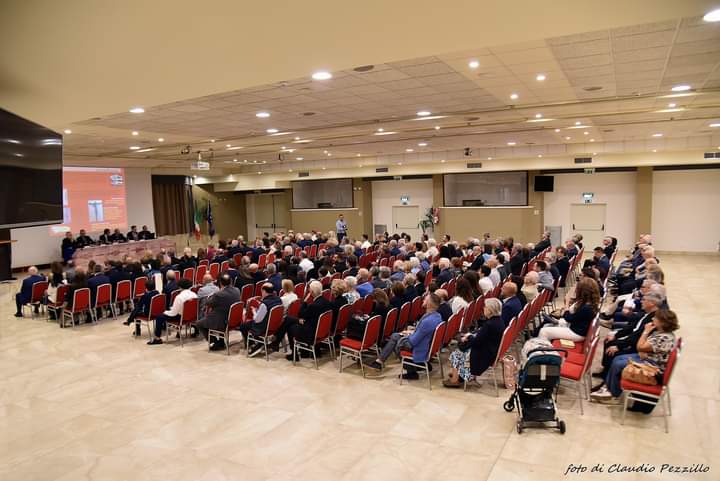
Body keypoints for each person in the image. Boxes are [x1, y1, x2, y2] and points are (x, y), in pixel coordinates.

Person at [592, 309, 679, 405]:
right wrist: (642, 350)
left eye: (656, 318)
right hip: (647, 358)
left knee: (618, 364)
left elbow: (640, 346)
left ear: (662, 322)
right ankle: (608, 388)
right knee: (617, 359)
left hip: (652, 367)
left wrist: (645, 332)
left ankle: (613, 394)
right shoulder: (660, 332)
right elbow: (642, 348)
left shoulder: (664, 338)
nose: (653, 319)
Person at [366, 292, 445, 380]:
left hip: (420, 347)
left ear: (429, 304)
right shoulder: (437, 316)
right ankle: (379, 362)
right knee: (396, 336)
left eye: (425, 299)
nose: (423, 300)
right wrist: (410, 333)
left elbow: (413, 342)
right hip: (426, 345)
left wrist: (407, 336)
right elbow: (422, 333)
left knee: (396, 341)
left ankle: (411, 372)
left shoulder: (427, 321)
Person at [443, 298, 505, 388]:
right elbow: (482, 336)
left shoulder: (490, 324)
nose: (483, 308)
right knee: (463, 345)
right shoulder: (498, 321)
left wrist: (468, 337)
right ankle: (459, 374)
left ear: (490, 310)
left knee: (457, 352)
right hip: (490, 350)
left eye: (485, 307)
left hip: (483, 355)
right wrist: (470, 336)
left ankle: (455, 380)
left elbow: (476, 342)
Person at [272, 280, 331, 360]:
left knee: (290, 326)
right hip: (321, 330)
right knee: (289, 319)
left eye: (309, 289)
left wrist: (305, 302)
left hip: (311, 333)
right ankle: (277, 342)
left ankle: (292, 353)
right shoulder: (327, 302)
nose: (308, 291)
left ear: (312, 292)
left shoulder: (313, 306)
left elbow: (301, 314)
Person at [538, 278, 599, 342]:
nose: (576, 290)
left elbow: (568, 318)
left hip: (576, 333)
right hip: (575, 328)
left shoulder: (586, 307)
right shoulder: (588, 303)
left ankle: (541, 350)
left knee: (544, 332)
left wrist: (566, 304)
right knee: (547, 325)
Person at [196, 274, 241, 350]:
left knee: (199, 323)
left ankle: (214, 342)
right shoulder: (237, 290)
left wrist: (210, 296)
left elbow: (208, 303)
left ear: (220, 283)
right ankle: (220, 341)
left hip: (222, 320)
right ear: (230, 281)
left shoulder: (219, 294)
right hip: (233, 319)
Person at [147, 278, 197, 345]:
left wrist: (165, 312)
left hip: (181, 317)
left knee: (159, 317)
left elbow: (173, 313)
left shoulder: (179, 297)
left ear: (180, 287)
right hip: (191, 316)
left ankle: (157, 338)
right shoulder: (194, 295)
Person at [239, 283, 283, 353]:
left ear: (264, 291)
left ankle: (255, 343)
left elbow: (257, 320)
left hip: (263, 327)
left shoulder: (264, 304)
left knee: (243, 326)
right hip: (275, 325)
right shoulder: (278, 299)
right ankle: (256, 342)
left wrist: (254, 311)